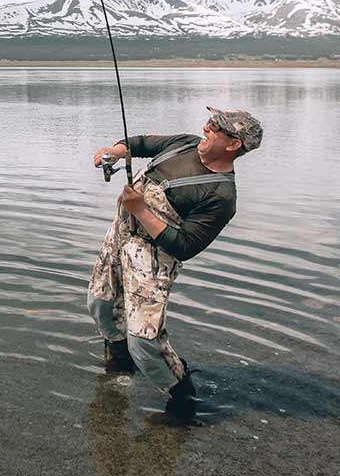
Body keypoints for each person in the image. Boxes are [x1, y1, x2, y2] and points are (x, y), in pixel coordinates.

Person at [85, 105, 263, 398]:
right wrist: (115, 150)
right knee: (99, 303)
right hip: (119, 235)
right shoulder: (185, 143)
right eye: (209, 121)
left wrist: (141, 210)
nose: (206, 127)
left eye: (216, 127)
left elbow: (186, 246)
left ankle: (182, 400)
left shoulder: (221, 196)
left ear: (233, 145)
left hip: (153, 260)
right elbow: (140, 143)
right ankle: (118, 366)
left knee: (144, 342)